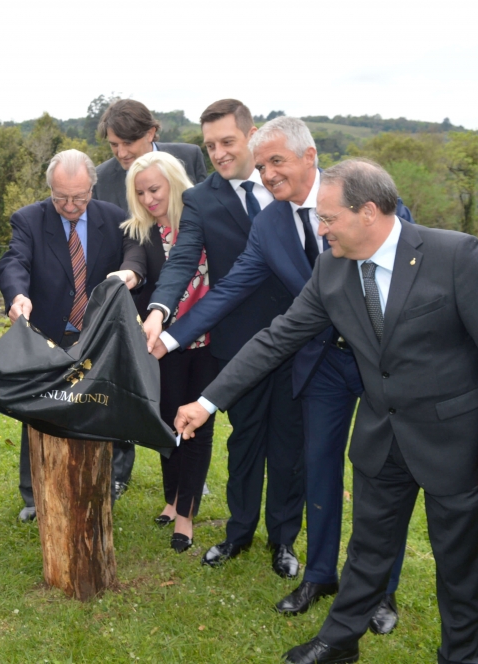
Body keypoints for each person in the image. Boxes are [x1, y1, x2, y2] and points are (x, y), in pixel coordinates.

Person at [175, 158, 478, 664]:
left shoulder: (456, 255)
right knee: (367, 549)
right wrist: (208, 401)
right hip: (381, 436)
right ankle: (339, 641)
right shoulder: (331, 270)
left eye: (328, 219)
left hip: (457, 441)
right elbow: (276, 340)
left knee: (460, 564)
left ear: (368, 212)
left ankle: (461, 655)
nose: (320, 230)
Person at [152, 117, 411, 628]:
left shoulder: (362, 197)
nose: (267, 174)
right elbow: (230, 289)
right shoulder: (270, 223)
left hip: (384, 362)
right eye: (262, 163)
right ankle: (318, 574)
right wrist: (168, 335)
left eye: (277, 162)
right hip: (322, 362)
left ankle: (382, 590)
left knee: (382, 476)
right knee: (317, 466)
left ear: (310, 156)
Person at [143, 100, 303, 578]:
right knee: (246, 441)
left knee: (291, 445)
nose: (218, 153)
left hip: (301, 341)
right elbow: (182, 261)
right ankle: (238, 532)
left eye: (227, 142)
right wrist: (159, 310)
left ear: (251, 135)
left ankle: (284, 540)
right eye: (209, 145)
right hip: (237, 345)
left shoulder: (287, 186)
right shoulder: (202, 200)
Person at [0, 149, 147, 521]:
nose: (69, 205)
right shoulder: (30, 220)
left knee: (105, 408)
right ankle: (35, 496)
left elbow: (136, 253)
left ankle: (111, 480)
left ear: (92, 188)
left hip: (99, 334)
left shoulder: (115, 218)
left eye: (79, 197)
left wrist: (128, 273)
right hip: (49, 332)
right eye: (60, 196)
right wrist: (18, 296)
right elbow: (14, 261)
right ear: (49, 189)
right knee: (41, 411)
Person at [91, 98, 208, 499]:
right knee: (141, 394)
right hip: (140, 302)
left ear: (152, 133)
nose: (121, 153)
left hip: (200, 305)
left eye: (129, 143)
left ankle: (189, 481)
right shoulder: (104, 177)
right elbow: (132, 239)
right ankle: (122, 473)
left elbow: (207, 221)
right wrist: (128, 274)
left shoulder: (189, 158)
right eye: (113, 145)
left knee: (188, 400)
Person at [121, 151, 216, 552]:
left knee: (195, 426)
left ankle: (186, 514)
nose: (148, 199)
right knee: (166, 423)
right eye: (140, 192)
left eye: (154, 189)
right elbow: (136, 261)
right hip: (161, 347)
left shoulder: (205, 223)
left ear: (175, 183)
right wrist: (126, 275)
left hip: (208, 345)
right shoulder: (141, 231)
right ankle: (171, 495)